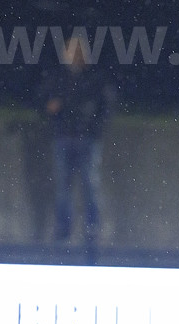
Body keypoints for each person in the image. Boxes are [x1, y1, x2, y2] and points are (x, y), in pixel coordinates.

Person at [39, 35, 113, 243]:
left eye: (79, 51)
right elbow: (44, 101)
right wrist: (52, 111)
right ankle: (64, 230)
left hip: (87, 138)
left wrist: (93, 129)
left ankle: (92, 228)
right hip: (64, 137)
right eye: (72, 51)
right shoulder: (58, 77)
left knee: (90, 184)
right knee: (64, 186)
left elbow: (104, 107)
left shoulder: (94, 78)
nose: (75, 55)